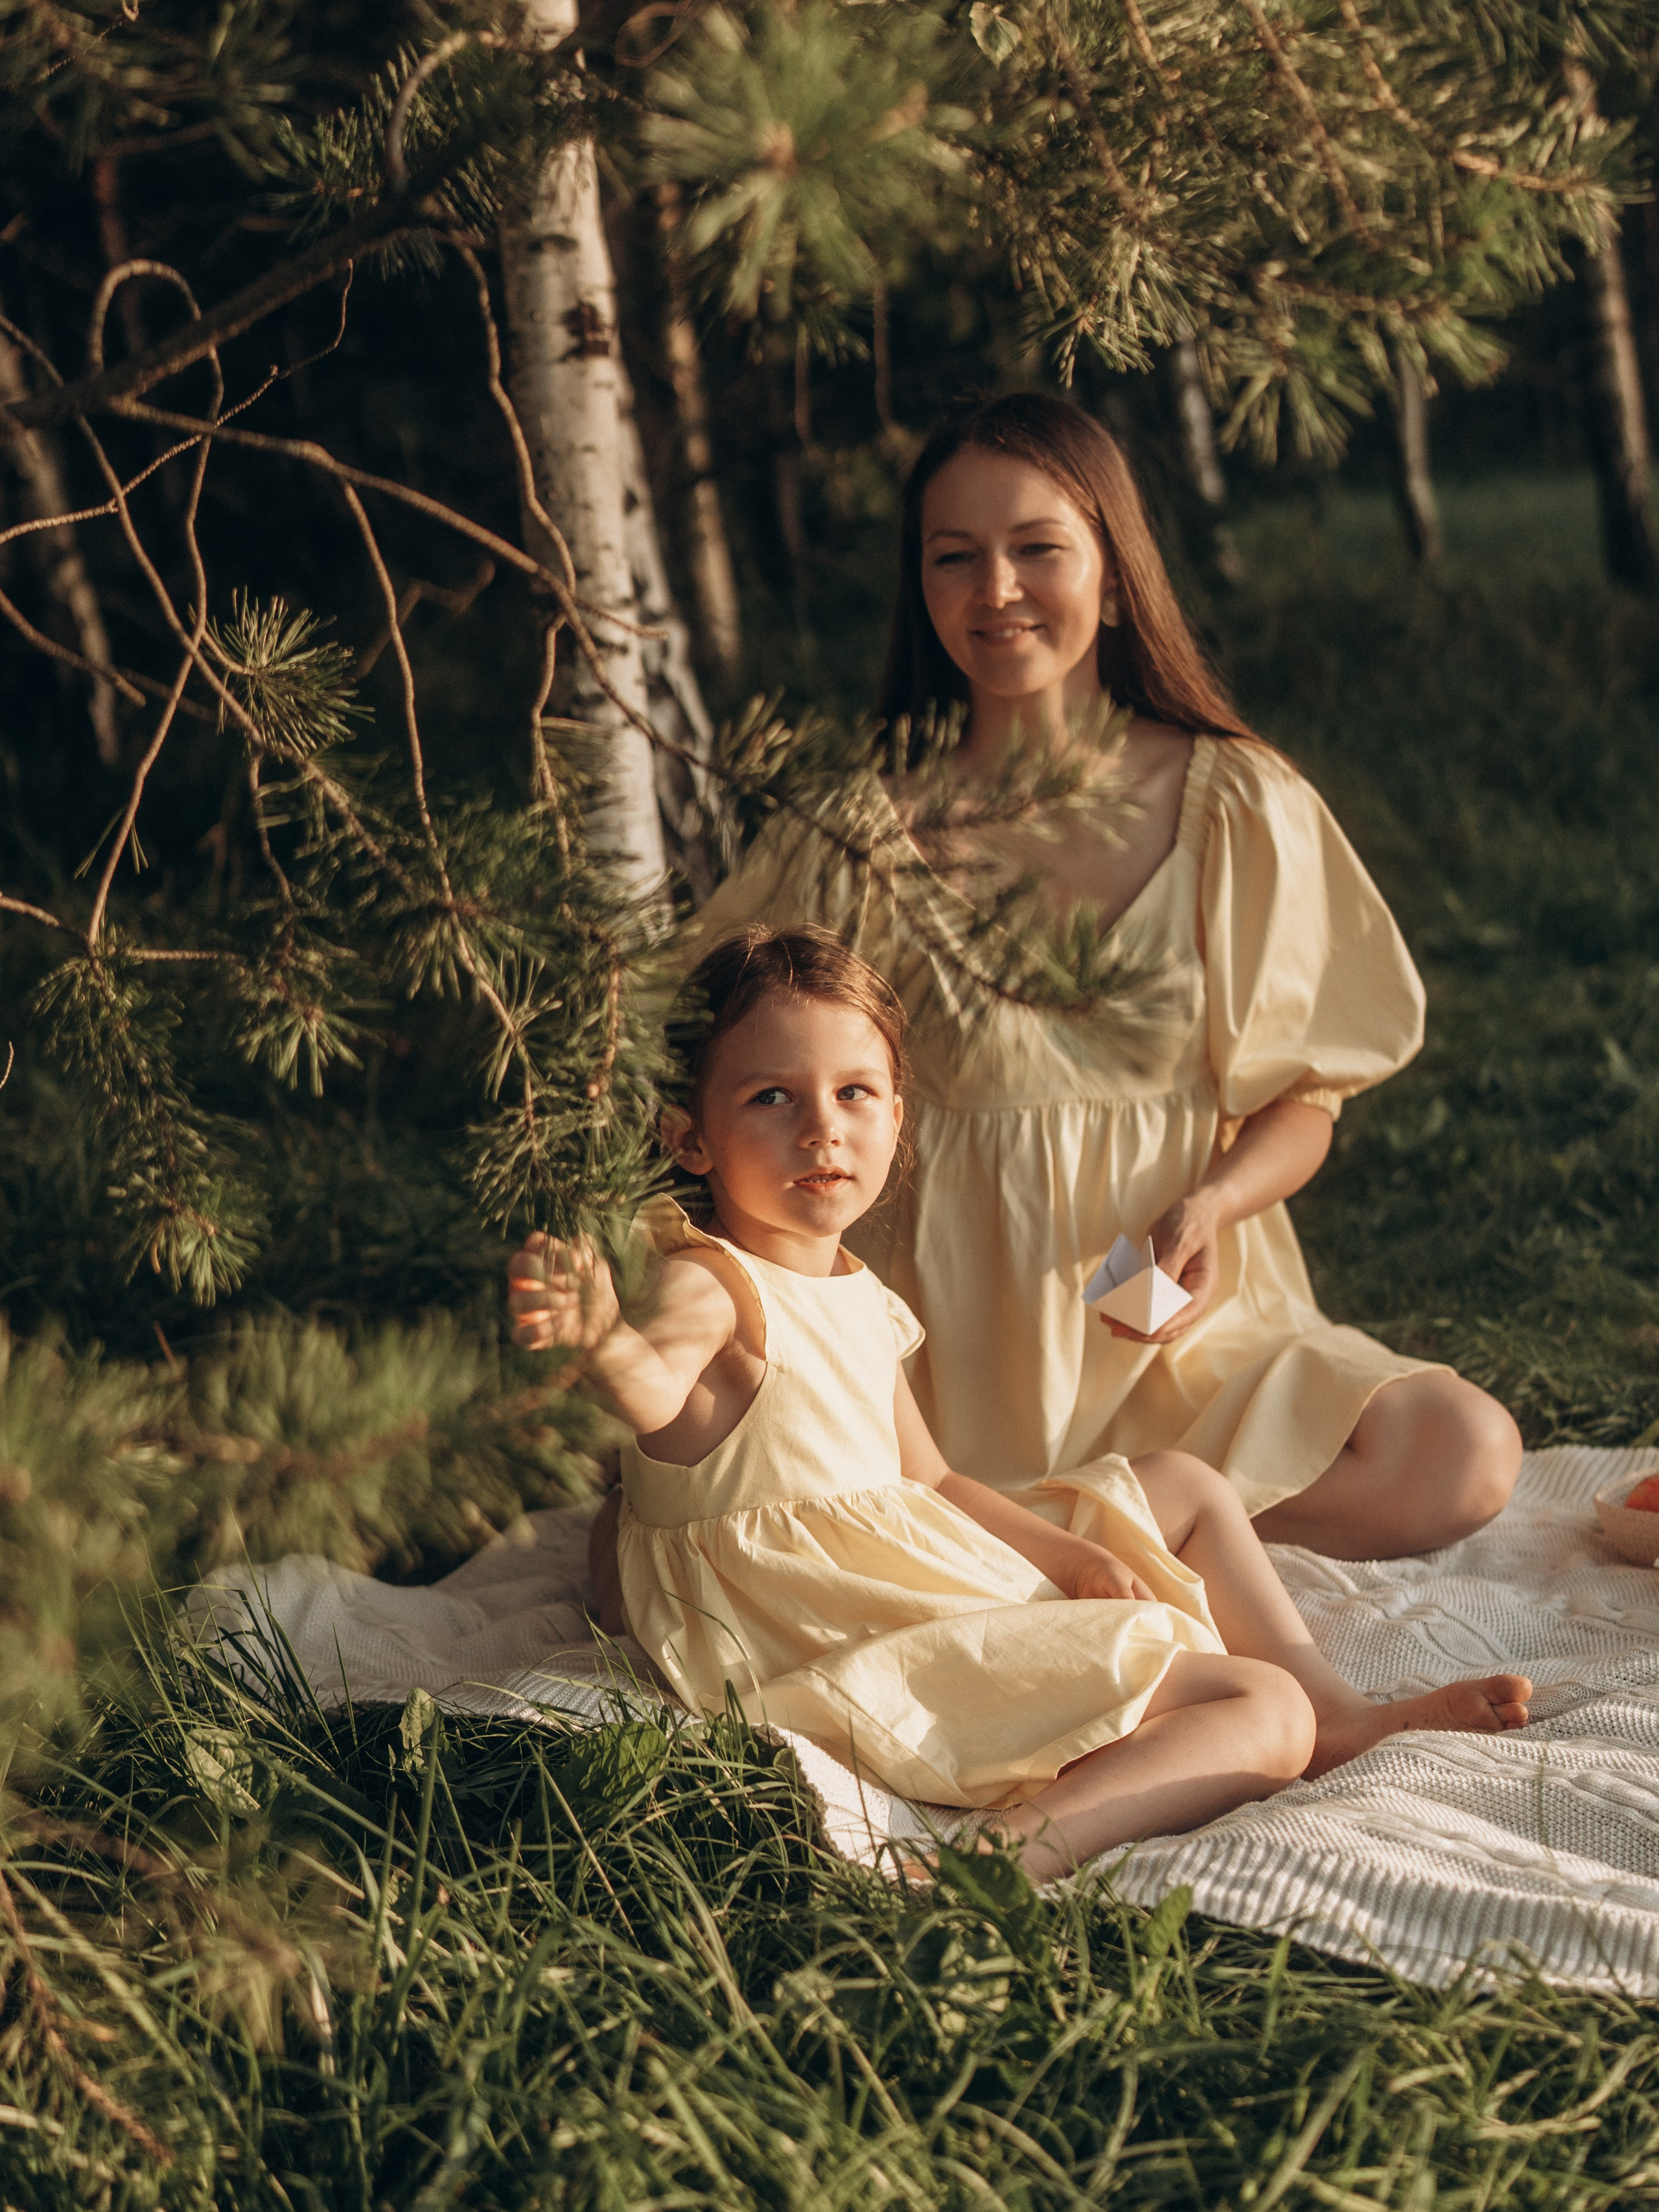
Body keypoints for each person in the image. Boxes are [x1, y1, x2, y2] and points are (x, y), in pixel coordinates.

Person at [507, 927, 1530, 1882]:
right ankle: (986, 1864)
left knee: (1184, 1484)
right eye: (773, 1096)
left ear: (897, 1117)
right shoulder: (711, 1282)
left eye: (856, 1092)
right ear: (690, 1139)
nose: (823, 1126)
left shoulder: (854, 1291)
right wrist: (601, 1333)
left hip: (896, 1565)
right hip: (837, 1631)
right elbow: (654, 1388)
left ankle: (1338, 1710)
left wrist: (1070, 1557)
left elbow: (935, 1479)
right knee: (1255, 1709)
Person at [685, 394, 1521, 1561]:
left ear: (1117, 576)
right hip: (946, 1346)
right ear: (920, 592)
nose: (997, 590)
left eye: (1038, 549)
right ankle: (1042, 1523)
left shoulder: (1235, 801)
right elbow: (705, 1053)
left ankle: (1072, 1530)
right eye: (955, 558)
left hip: (1179, 1324)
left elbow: (1306, 1097)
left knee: (1462, 1452)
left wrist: (1217, 1201)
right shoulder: (857, 832)